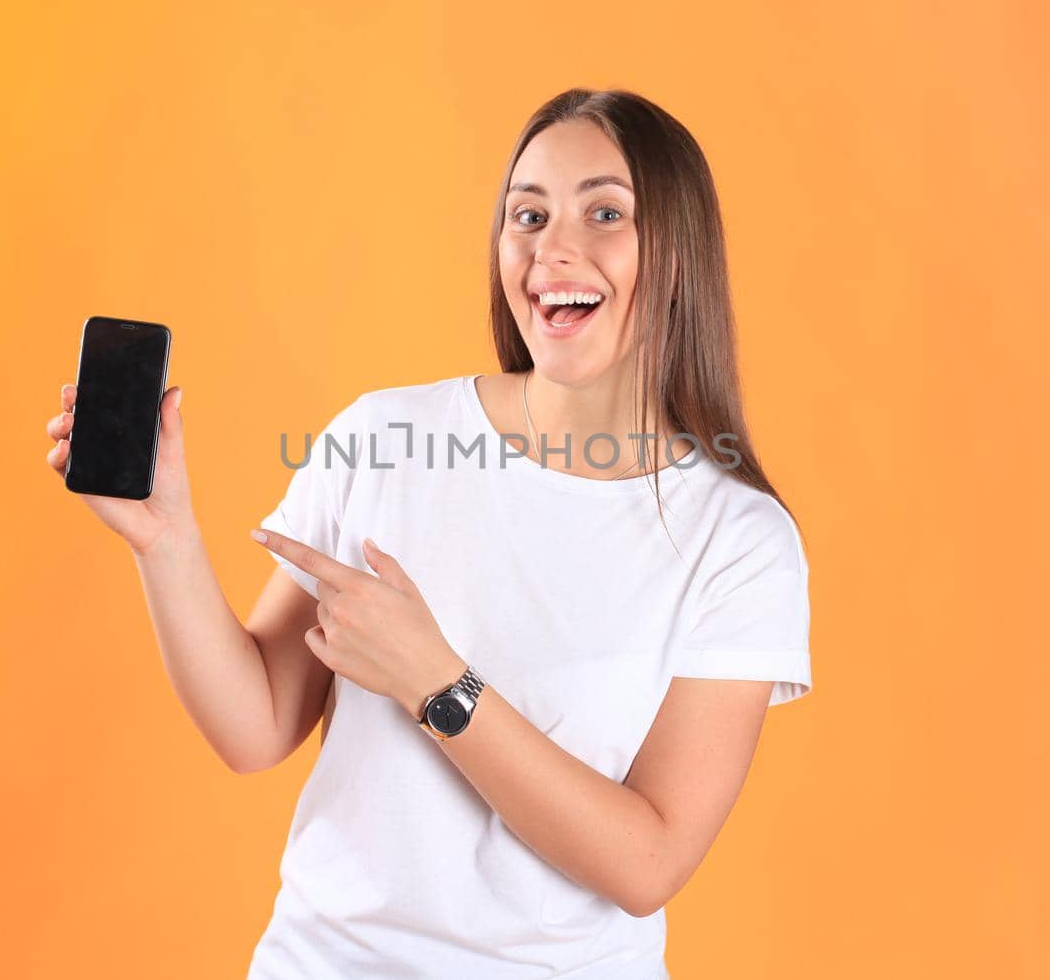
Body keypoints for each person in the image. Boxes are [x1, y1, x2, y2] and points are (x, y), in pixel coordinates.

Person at [44, 87, 812, 979]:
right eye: (528, 214)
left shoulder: (738, 538)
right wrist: (164, 537)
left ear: (680, 249)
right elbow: (255, 727)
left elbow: (648, 863)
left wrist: (435, 681)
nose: (552, 248)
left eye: (605, 212)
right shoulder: (381, 439)